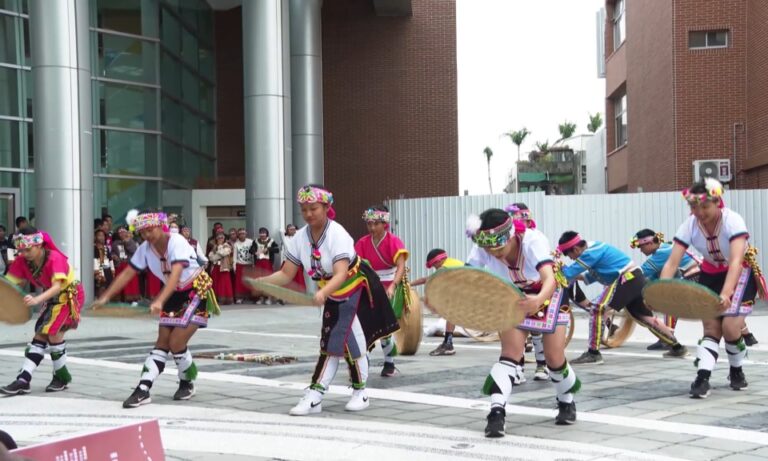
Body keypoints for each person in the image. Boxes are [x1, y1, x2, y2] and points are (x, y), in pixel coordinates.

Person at [254, 185, 399, 415]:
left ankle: (337, 393)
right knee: (336, 343)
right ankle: (332, 393)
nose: (308, 214)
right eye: (304, 209)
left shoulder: (337, 233)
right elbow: (286, 273)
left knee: (345, 342)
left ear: (326, 207)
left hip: (355, 288)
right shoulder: (299, 238)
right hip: (332, 292)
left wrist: (322, 293)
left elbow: (341, 273)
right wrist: (264, 282)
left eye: (313, 208)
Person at [462, 209, 579, 436]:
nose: (494, 254)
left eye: (499, 249)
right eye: (489, 250)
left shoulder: (533, 241)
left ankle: (566, 401)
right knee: (510, 355)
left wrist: (538, 300)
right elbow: (467, 278)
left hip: (549, 292)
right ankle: (496, 413)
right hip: (513, 294)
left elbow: (549, 278)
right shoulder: (483, 244)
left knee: (554, 358)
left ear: (511, 237)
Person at [93, 210, 220, 408]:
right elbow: (128, 273)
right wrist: (106, 297)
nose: (146, 235)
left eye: (150, 230)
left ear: (161, 227)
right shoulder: (145, 248)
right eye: (142, 232)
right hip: (171, 293)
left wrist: (159, 300)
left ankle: (187, 381)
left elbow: (176, 273)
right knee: (162, 342)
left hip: (195, 290)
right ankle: (143, 388)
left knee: (176, 341)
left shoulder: (176, 241)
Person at [660, 179, 765, 398]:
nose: (699, 212)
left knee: (730, 327)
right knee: (710, 328)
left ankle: (736, 370)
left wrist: (726, 293)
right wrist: (661, 291)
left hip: (740, 273)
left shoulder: (732, 220)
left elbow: (735, 262)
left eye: (704, 206)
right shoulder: (689, 225)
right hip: (710, 275)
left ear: (717, 202)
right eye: (693, 207)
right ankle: (702, 377)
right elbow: (672, 263)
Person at [557, 231, 689, 365]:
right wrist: (567, 273)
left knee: (597, 309)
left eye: (569, 255)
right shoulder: (594, 250)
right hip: (635, 279)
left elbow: (568, 273)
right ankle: (677, 347)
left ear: (576, 249)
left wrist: (554, 270)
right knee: (644, 317)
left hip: (627, 279)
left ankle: (593, 353)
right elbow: (585, 276)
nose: (571, 258)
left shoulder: (590, 252)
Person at [0, 227, 85, 395]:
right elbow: (8, 285)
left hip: (70, 296)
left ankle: (45, 378)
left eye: (28, 249)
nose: (24, 253)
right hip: (51, 298)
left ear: (39, 245)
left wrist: (36, 300)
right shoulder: (22, 261)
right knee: (42, 336)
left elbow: (57, 286)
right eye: (21, 250)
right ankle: (27, 379)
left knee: (51, 334)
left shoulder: (54, 258)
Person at [354, 205, 408, 377]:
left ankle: (389, 363)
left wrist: (393, 285)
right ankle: (364, 362)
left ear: (384, 224)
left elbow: (401, 266)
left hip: (390, 282)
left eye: (375, 224)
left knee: (385, 325)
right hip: (369, 282)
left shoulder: (394, 241)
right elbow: (357, 266)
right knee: (364, 324)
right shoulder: (362, 243)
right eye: (369, 224)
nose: (371, 227)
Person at [631, 228, 700, 350]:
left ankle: (667, 338)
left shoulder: (662, 253)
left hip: (695, 276)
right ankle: (667, 338)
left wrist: (624, 278)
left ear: (650, 243)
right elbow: (653, 277)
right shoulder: (666, 248)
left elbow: (642, 272)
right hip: (693, 276)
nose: (641, 250)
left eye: (641, 247)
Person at [505, 203, 547, 381]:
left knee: (536, 329)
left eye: (523, 221)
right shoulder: (507, 240)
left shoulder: (537, 238)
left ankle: (542, 365)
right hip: (514, 288)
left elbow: (546, 271)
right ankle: (518, 369)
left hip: (537, 287)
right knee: (515, 328)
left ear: (529, 221)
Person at [411, 248, 465, 356]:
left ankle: (448, 344)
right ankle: (448, 343)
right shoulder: (452, 263)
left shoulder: (444, 268)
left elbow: (427, 280)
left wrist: (409, 285)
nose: (435, 268)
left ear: (438, 261)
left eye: (434, 266)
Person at [111, 226, 141, 303]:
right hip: (120, 265)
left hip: (129, 265)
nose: (122, 234)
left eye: (123, 232)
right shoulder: (115, 243)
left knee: (131, 283)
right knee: (120, 282)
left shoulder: (131, 241)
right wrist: (113, 255)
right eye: (120, 233)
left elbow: (134, 250)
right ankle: (120, 299)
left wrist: (127, 242)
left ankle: (132, 299)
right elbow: (112, 252)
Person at [251, 227, 279, 304]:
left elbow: (277, 250)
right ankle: (261, 298)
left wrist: (269, 249)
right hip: (259, 263)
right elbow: (251, 250)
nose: (262, 235)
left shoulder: (271, 241)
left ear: (267, 234)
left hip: (267, 263)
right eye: (261, 233)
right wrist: (254, 251)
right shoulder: (256, 241)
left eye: (264, 233)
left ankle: (269, 298)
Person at [208, 232, 234, 305]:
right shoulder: (214, 247)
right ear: (216, 239)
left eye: (221, 237)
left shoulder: (227, 245)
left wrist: (219, 247)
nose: (220, 239)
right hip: (216, 267)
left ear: (224, 238)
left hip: (224, 268)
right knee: (215, 283)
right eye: (218, 237)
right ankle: (216, 299)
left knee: (224, 284)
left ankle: (225, 300)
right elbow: (211, 257)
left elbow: (224, 253)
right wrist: (218, 255)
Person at [281, 224, 306, 293]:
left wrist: (296, 231)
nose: (293, 231)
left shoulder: (298, 238)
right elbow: (281, 231)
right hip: (287, 261)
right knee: (285, 279)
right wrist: (287, 231)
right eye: (291, 229)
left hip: (296, 261)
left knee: (298, 279)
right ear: (287, 230)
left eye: (294, 229)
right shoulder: (285, 238)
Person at [233, 228, 254, 304]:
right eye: (240, 234)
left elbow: (253, 254)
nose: (242, 235)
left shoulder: (250, 242)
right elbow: (235, 256)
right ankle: (239, 297)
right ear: (238, 235)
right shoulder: (236, 244)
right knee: (239, 282)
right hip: (240, 264)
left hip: (249, 264)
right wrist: (234, 266)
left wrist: (254, 264)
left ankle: (250, 297)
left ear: (246, 234)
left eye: (243, 233)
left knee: (249, 281)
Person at [93, 229, 115, 298]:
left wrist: (112, 269)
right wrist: (99, 272)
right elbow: (95, 260)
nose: (102, 237)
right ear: (95, 237)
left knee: (108, 287)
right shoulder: (94, 248)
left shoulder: (106, 248)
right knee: (101, 287)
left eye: (103, 236)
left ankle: (106, 301)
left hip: (107, 270)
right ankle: (100, 301)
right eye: (99, 235)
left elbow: (110, 259)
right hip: (99, 270)